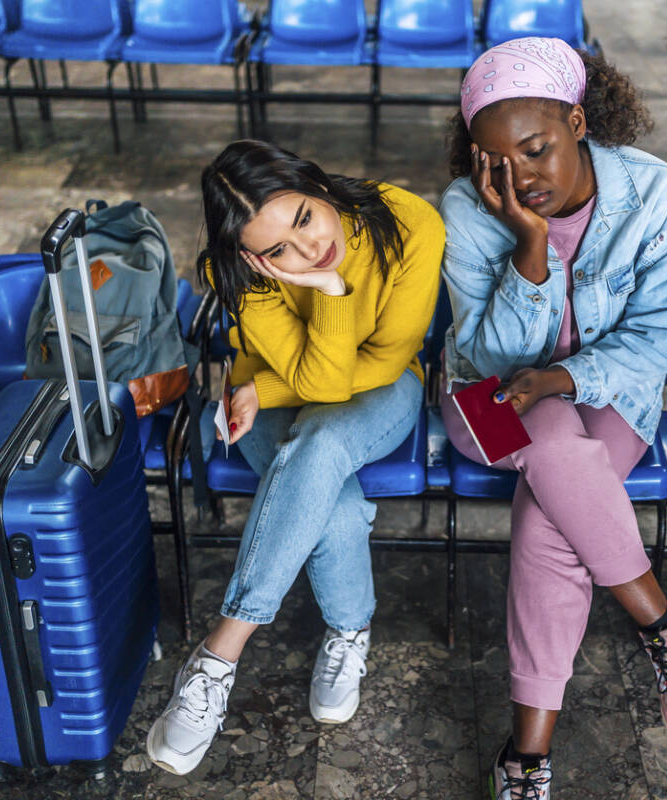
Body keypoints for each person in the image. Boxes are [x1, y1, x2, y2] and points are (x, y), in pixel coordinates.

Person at [438, 38, 667, 798]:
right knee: (556, 445)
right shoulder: (471, 211)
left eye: (534, 150)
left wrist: (565, 376)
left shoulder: (652, 193)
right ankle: (664, 626)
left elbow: (659, 333)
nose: (518, 178)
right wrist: (530, 253)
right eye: (493, 161)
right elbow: (482, 350)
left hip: (609, 394)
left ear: (576, 121)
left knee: (550, 511)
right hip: (484, 398)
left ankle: (527, 755)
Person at [147, 139, 445, 776]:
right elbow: (311, 372)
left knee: (322, 440)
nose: (308, 250)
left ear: (319, 186)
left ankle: (218, 655)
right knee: (332, 503)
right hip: (274, 388)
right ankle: (348, 631)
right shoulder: (237, 273)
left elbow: (376, 365)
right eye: (277, 249)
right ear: (251, 254)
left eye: (304, 218)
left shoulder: (411, 222)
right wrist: (274, 374)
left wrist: (327, 296)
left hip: (384, 388)